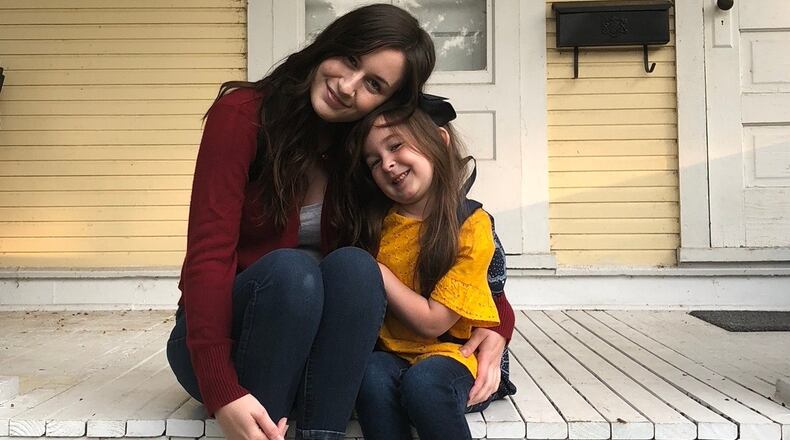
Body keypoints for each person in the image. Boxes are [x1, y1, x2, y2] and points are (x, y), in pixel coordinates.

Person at [165, 4, 514, 440]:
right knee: (292, 271)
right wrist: (221, 389)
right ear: (328, 45)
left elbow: (449, 230)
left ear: (388, 101)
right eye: (349, 59)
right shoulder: (243, 115)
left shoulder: (370, 154)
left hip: (319, 363)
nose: (347, 86)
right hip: (230, 346)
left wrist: (496, 325)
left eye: (373, 84)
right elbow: (208, 255)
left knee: (355, 265)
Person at [351, 96, 507, 440]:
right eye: (374, 161)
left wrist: (376, 272)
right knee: (370, 375)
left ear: (438, 139)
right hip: (393, 353)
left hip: (454, 355)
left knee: (423, 384)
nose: (387, 164)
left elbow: (434, 322)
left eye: (396, 146)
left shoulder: (470, 225)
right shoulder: (378, 224)